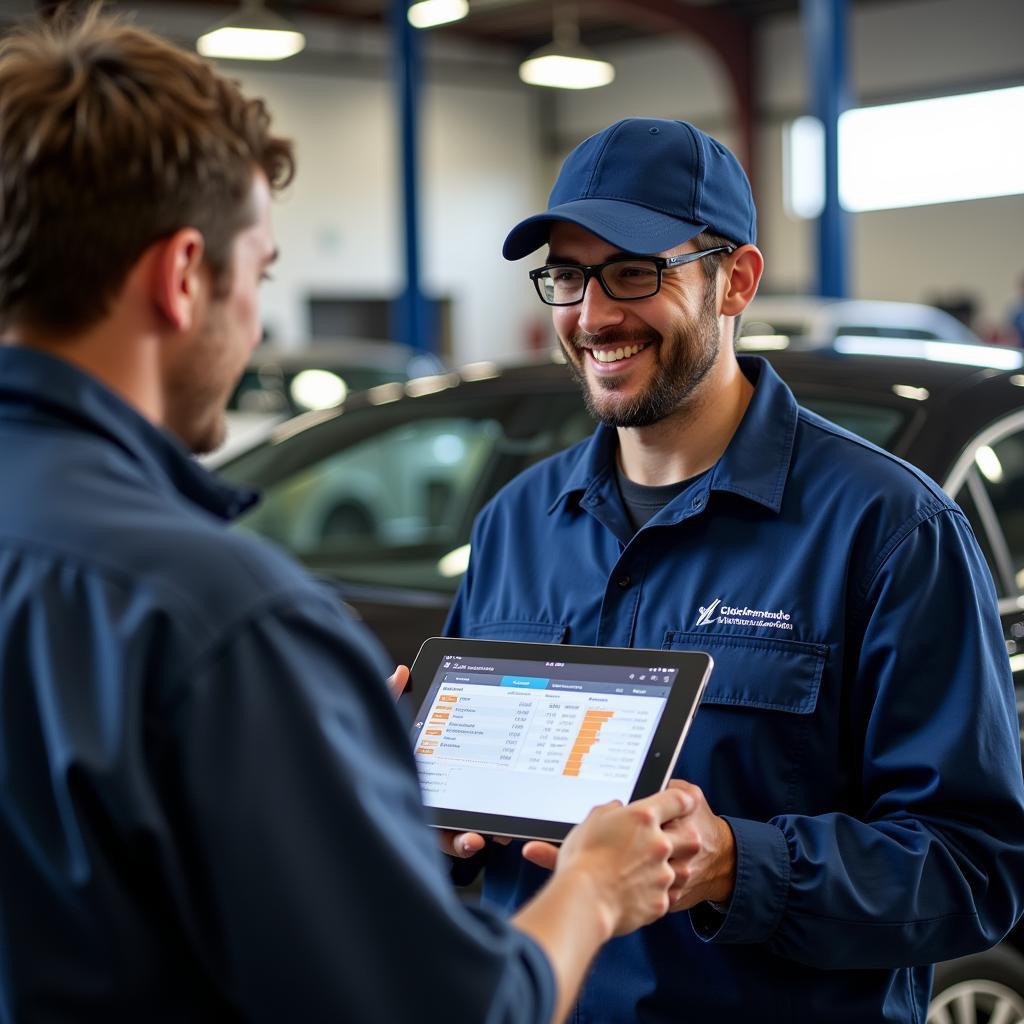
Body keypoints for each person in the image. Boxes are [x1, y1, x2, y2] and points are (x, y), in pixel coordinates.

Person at [0, 16, 690, 1022]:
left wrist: (332, 789)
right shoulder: (221, 622)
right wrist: (591, 886)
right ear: (184, 274)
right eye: (263, 275)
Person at [443, 116, 1024, 1022]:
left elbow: (974, 868)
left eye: (634, 272)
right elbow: (480, 841)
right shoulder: (518, 523)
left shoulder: (888, 529)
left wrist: (732, 863)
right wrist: (427, 823)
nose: (592, 315)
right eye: (566, 275)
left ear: (736, 280)